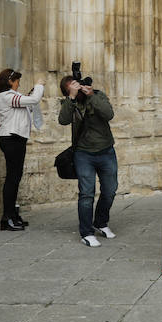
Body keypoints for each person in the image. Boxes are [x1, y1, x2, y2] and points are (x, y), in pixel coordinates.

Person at [59, 74, 118, 247]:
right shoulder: (70, 103)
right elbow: (63, 120)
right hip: (83, 154)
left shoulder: (97, 95)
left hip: (106, 151)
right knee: (86, 194)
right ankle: (86, 232)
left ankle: (100, 222)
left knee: (110, 190)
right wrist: (71, 97)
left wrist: (91, 95)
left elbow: (108, 114)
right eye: (73, 87)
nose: (78, 89)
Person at [0, 69, 44, 232]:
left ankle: (12, 215)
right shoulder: (7, 96)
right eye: (16, 81)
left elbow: (27, 105)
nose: (18, 84)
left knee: (15, 178)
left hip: (16, 139)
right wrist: (39, 85)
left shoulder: (11, 97)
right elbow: (34, 99)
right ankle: (6, 218)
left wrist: (31, 95)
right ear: (10, 81)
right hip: (11, 139)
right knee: (12, 179)